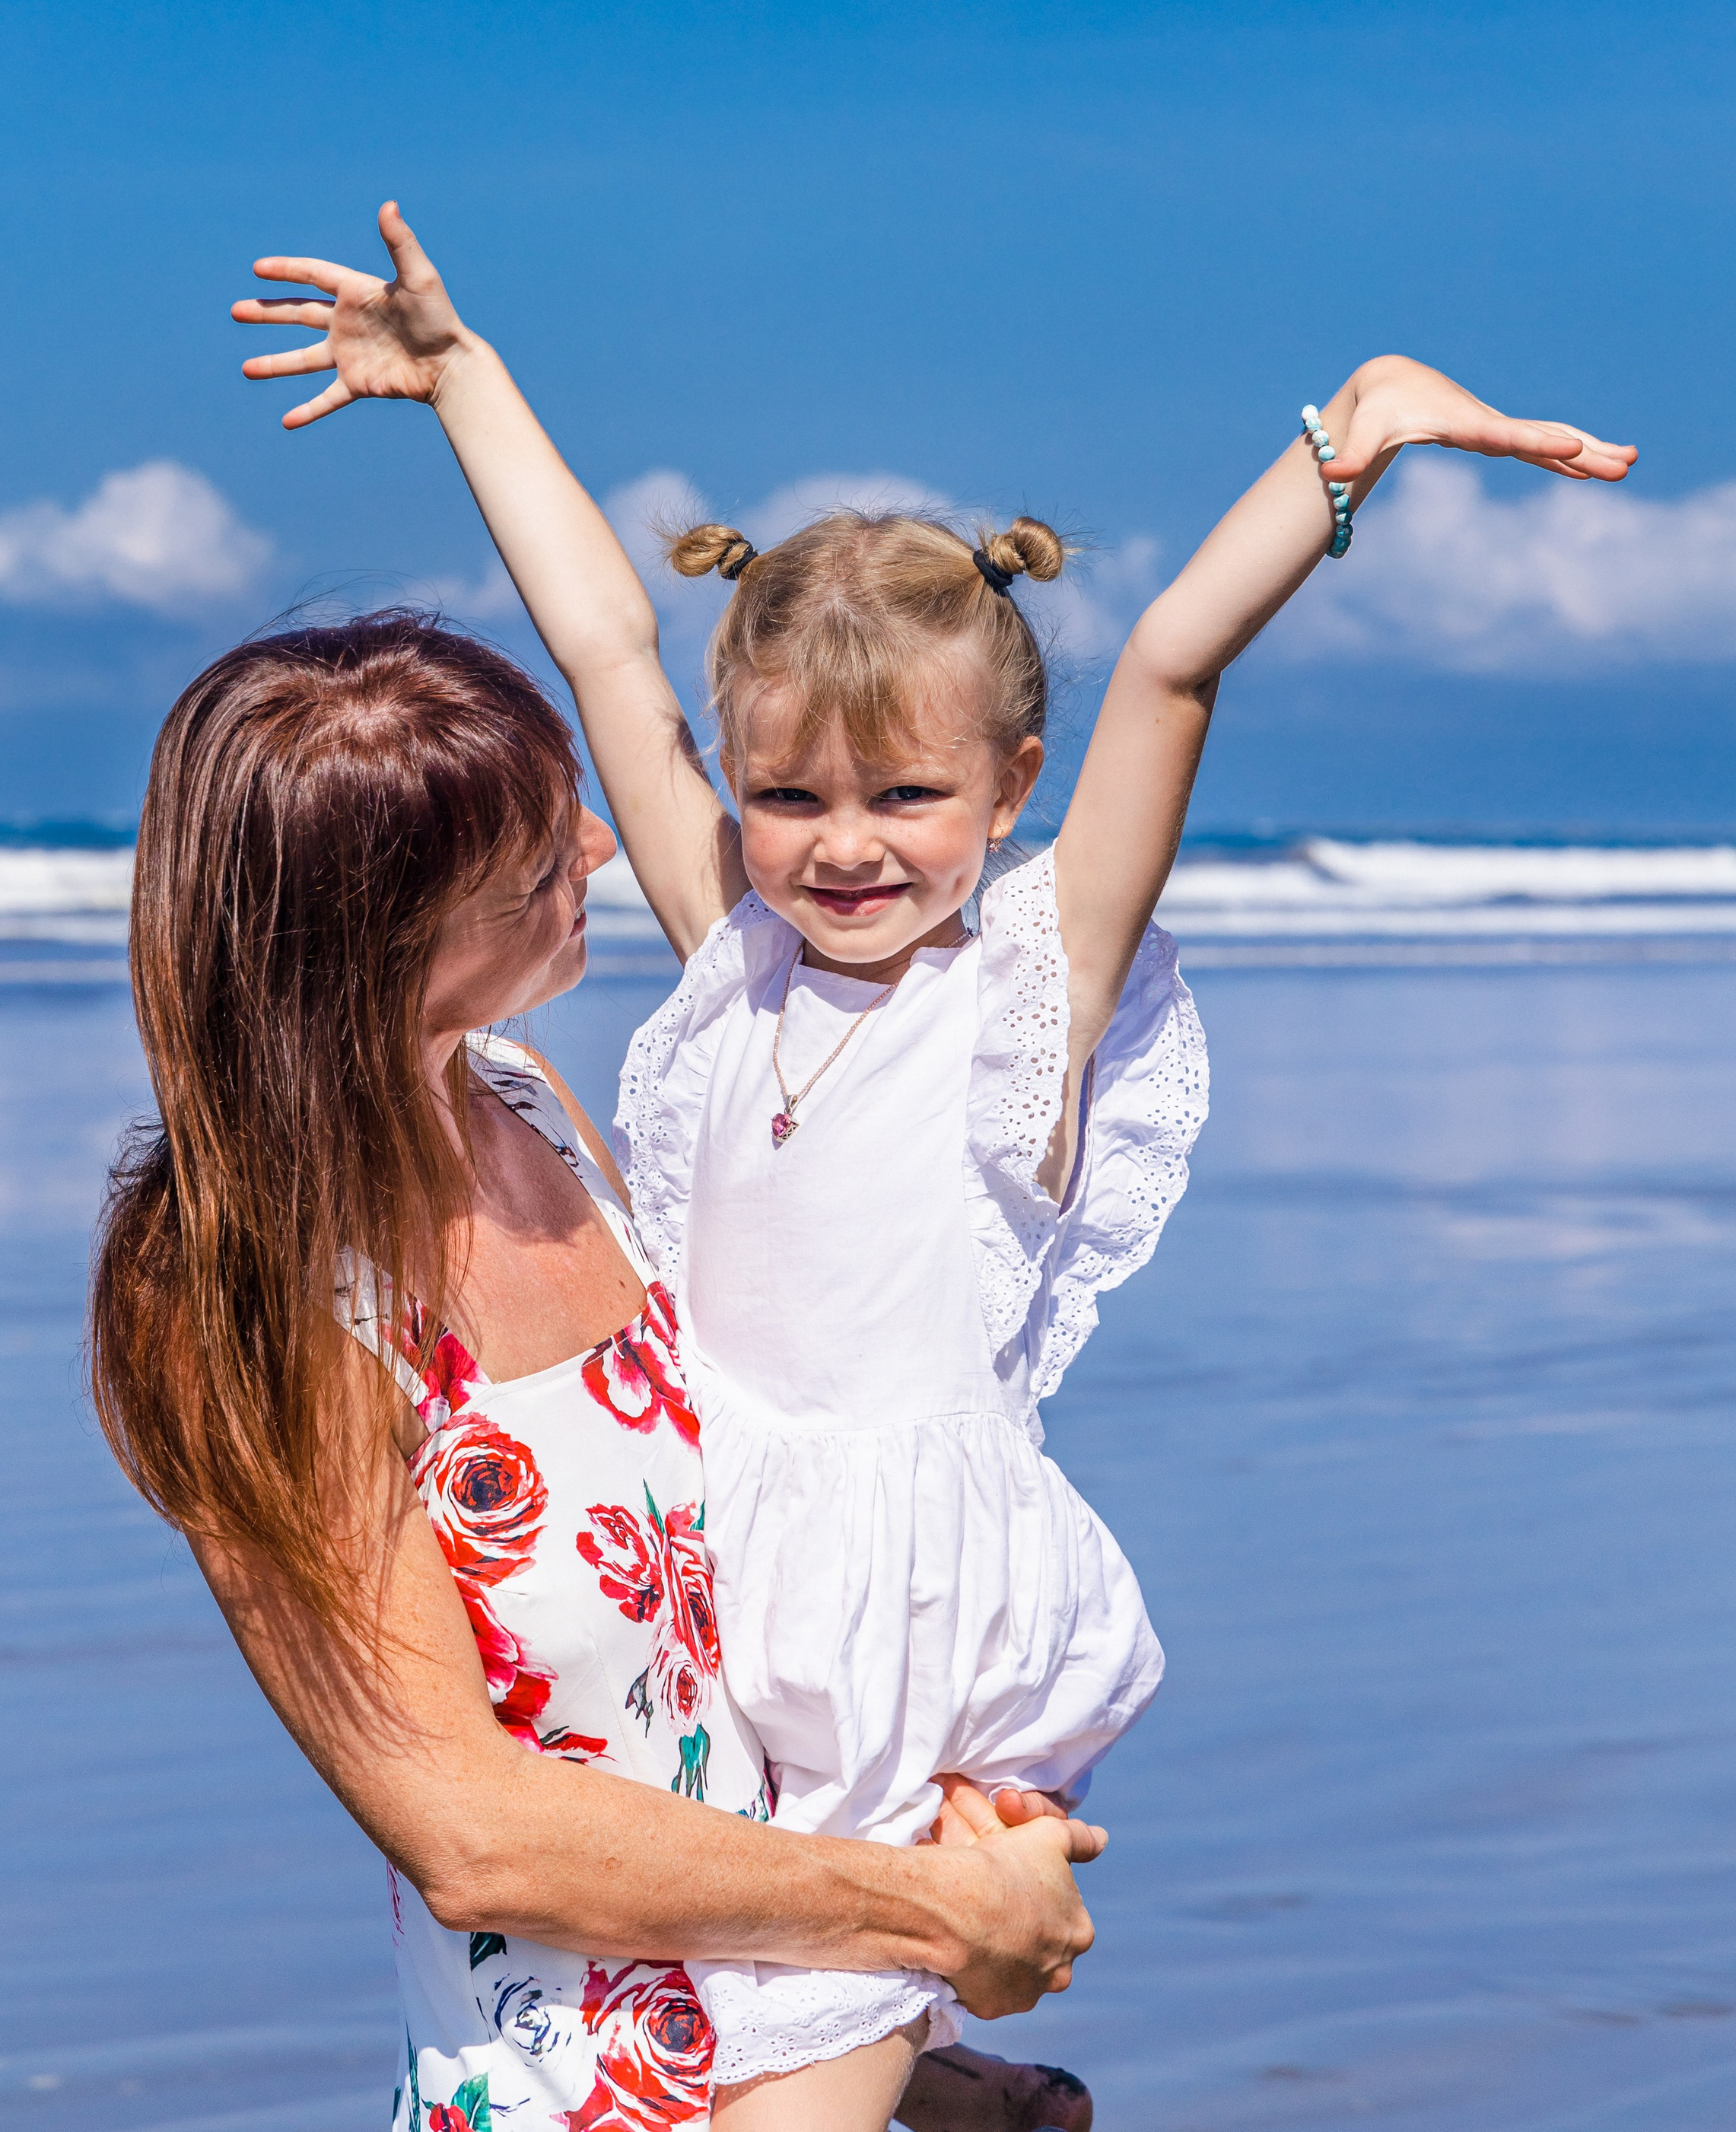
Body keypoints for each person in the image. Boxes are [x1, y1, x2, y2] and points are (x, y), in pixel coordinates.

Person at [232, 208, 1636, 2127]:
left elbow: (1168, 666)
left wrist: (1354, 440)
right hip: (717, 1613)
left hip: (906, 1631)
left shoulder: (1027, 1003)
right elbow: (600, 636)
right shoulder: (733, 952)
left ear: (1010, 785)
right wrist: (464, 378)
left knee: (802, 2069)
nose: (841, 847)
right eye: (788, 792)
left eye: (906, 797)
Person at [88, 614, 1105, 2132]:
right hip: (582, 2092)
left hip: (803, 2016)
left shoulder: (518, 1097)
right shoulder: (241, 1293)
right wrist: (932, 1910)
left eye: (567, 800)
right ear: (383, 935)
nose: (597, 847)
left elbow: (724, 1598)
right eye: (529, 860)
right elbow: (474, 1833)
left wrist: (934, 1833)